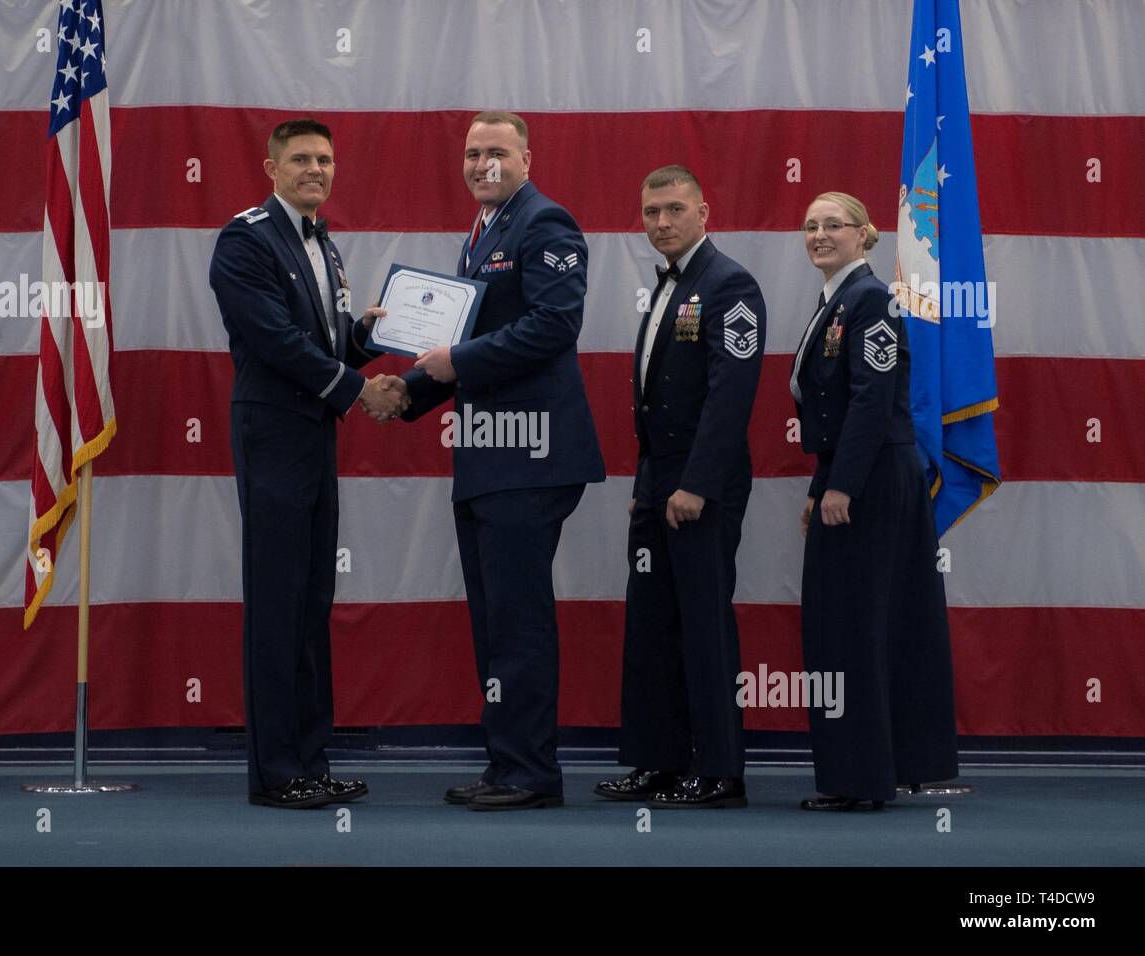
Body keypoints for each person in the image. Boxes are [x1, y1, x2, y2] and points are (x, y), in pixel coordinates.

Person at [357, 111, 604, 810]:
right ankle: (507, 763)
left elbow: (554, 327)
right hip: (489, 457)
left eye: (496, 151)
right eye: (472, 152)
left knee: (518, 619)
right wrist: (406, 392)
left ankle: (531, 773)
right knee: (496, 618)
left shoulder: (544, 223)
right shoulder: (486, 232)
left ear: (526, 158)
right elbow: (471, 342)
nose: (482, 163)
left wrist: (453, 360)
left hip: (530, 454)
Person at [209, 118, 407, 809]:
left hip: (316, 433)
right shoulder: (245, 239)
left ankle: (310, 759)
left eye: (324, 159)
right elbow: (274, 339)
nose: (315, 169)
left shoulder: (324, 242)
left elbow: (322, 341)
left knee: (311, 601)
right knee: (277, 602)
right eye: (300, 159)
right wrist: (356, 388)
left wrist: (365, 338)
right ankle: (277, 773)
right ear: (271, 168)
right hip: (273, 435)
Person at [593, 166, 766, 808]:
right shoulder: (669, 283)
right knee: (651, 625)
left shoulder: (730, 284)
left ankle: (719, 770)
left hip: (702, 485)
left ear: (704, 212)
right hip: (657, 483)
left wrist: (694, 484)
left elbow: (730, 394)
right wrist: (648, 484)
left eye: (673, 209)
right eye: (650, 212)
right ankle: (657, 761)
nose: (660, 222)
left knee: (701, 625)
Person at [791, 191, 958, 811]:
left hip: (875, 480)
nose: (819, 234)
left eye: (834, 224)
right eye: (810, 226)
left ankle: (862, 780)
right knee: (841, 625)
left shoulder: (872, 300)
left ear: (867, 235)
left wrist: (842, 485)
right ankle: (863, 770)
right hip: (851, 474)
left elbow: (869, 398)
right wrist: (820, 486)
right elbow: (834, 412)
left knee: (856, 627)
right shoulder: (835, 300)